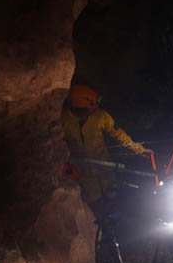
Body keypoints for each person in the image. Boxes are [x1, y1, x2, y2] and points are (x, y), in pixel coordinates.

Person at [61, 83, 151, 216]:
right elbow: (56, 146)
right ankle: (103, 223)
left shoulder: (100, 117)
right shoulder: (63, 120)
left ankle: (117, 219)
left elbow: (118, 134)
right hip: (83, 172)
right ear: (82, 108)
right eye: (92, 107)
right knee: (95, 204)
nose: (95, 109)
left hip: (104, 166)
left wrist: (139, 149)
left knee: (113, 196)